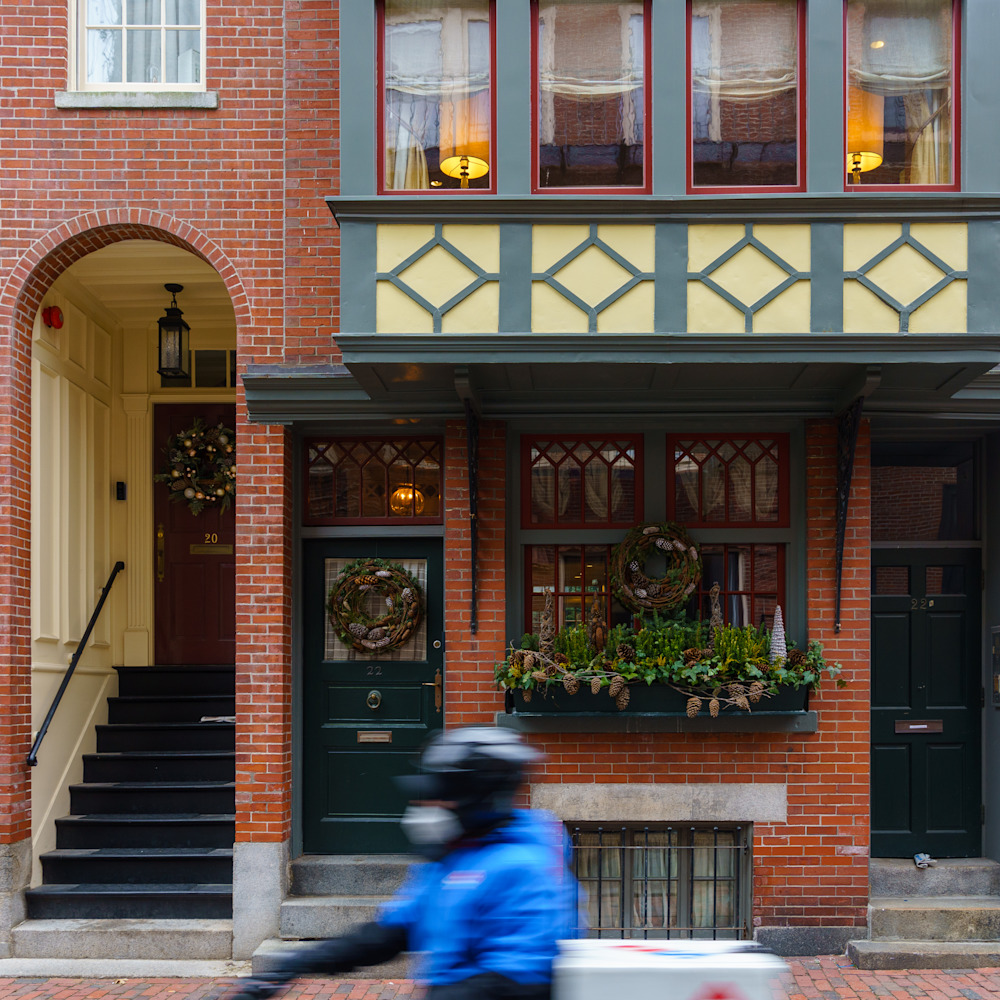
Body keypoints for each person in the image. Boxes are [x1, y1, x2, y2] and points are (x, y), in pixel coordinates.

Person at [232, 727, 582, 1000]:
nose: (428, 804)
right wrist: (293, 966)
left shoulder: (526, 868)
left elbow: (515, 981)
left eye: (441, 794)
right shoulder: (452, 859)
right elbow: (390, 933)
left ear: (477, 796)